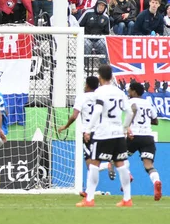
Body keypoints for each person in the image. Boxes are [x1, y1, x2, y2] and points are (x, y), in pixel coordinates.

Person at [81, 64, 133, 208]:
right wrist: (124, 128)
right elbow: (129, 113)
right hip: (118, 134)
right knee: (121, 165)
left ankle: (89, 199)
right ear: (111, 76)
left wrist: (88, 129)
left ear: (100, 77)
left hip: (102, 133)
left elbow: (97, 111)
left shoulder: (99, 92)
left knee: (94, 163)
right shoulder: (119, 92)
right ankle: (127, 199)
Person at [57, 76, 116, 197]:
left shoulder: (82, 97)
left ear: (87, 85)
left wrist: (66, 126)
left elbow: (74, 116)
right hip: (102, 132)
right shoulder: (101, 97)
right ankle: (106, 167)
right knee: (95, 162)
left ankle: (90, 192)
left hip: (88, 134)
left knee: (90, 165)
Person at [126, 82, 162, 201]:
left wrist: (128, 126)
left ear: (134, 91)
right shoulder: (148, 103)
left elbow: (133, 110)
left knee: (119, 158)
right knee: (149, 165)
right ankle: (156, 181)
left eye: (130, 90)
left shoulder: (130, 102)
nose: (128, 92)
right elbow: (155, 121)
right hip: (147, 137)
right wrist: (146, 122)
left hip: (134, 136)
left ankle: (127, 176)